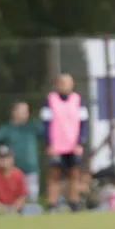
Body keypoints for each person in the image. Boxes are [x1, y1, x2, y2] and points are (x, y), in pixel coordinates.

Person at [41, 74, 89, 212]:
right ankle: (52, 203)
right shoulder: (50, 100)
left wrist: (79, 142)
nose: (65, 85)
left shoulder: (78, 100)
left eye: (68, 83)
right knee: (54, 174)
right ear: (57, 85)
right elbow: (45, 124)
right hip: (56, 146)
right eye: (62, 83)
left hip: (73, 145)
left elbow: (83, 123)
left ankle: (73, 202)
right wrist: (49, 143)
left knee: (73, 174)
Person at [0, 101, 42, 203]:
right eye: (22, 111)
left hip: (30, 170)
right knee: (13, 201)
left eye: (26, 111)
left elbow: (49, 134)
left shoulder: (33, 127)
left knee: (31, 200)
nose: (25, 114)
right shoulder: (6, 129)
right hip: (12, 171)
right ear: (14, 112)